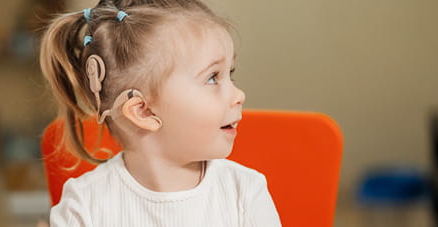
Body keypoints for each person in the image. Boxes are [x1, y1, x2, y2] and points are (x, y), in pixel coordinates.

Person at [40, 0, 281, 226]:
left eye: (231, 73)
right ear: (143, 111)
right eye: (212, 78)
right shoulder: (83, 205)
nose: (239, 95)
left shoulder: (245, 192)